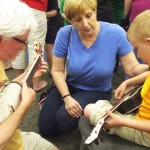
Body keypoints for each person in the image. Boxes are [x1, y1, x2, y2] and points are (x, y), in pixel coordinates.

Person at [38, 0, 149, 138]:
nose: (85, 24)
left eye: (89, 15)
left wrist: (149, 67)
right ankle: (65, 108)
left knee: (64, 118)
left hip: (97, 91)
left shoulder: (115, 33)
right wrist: (67, 98)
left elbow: (132, 68)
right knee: (46, 129)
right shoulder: (65, 33)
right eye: (78, 20)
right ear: (70, 20)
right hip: (69, 84)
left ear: (95, 10)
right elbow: (57, 70)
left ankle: (80, 118)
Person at [84, 10, 150, 147]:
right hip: (143, 115)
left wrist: (122, 122)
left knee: (90, 109)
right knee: (104, 104)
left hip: (146, 134)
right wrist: (128, 81)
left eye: (137, 48)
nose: (138, 55)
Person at [0, 0, 59, 150]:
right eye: (23, 40)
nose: (24, 47)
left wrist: (28, 74)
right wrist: (24, 107)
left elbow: (4, 91)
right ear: (2, 36)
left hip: (14, 136)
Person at [12, 0, 48, 92]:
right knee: (36, 44)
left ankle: (19, 79)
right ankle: (37, 83)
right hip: (36, 6)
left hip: (18, 6)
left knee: (18, 42)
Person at [45, 0, 63, 72]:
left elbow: (54, 12)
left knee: (49, 47)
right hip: (50, 22)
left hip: (52, 22)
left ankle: (53, 70)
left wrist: (40, 16)